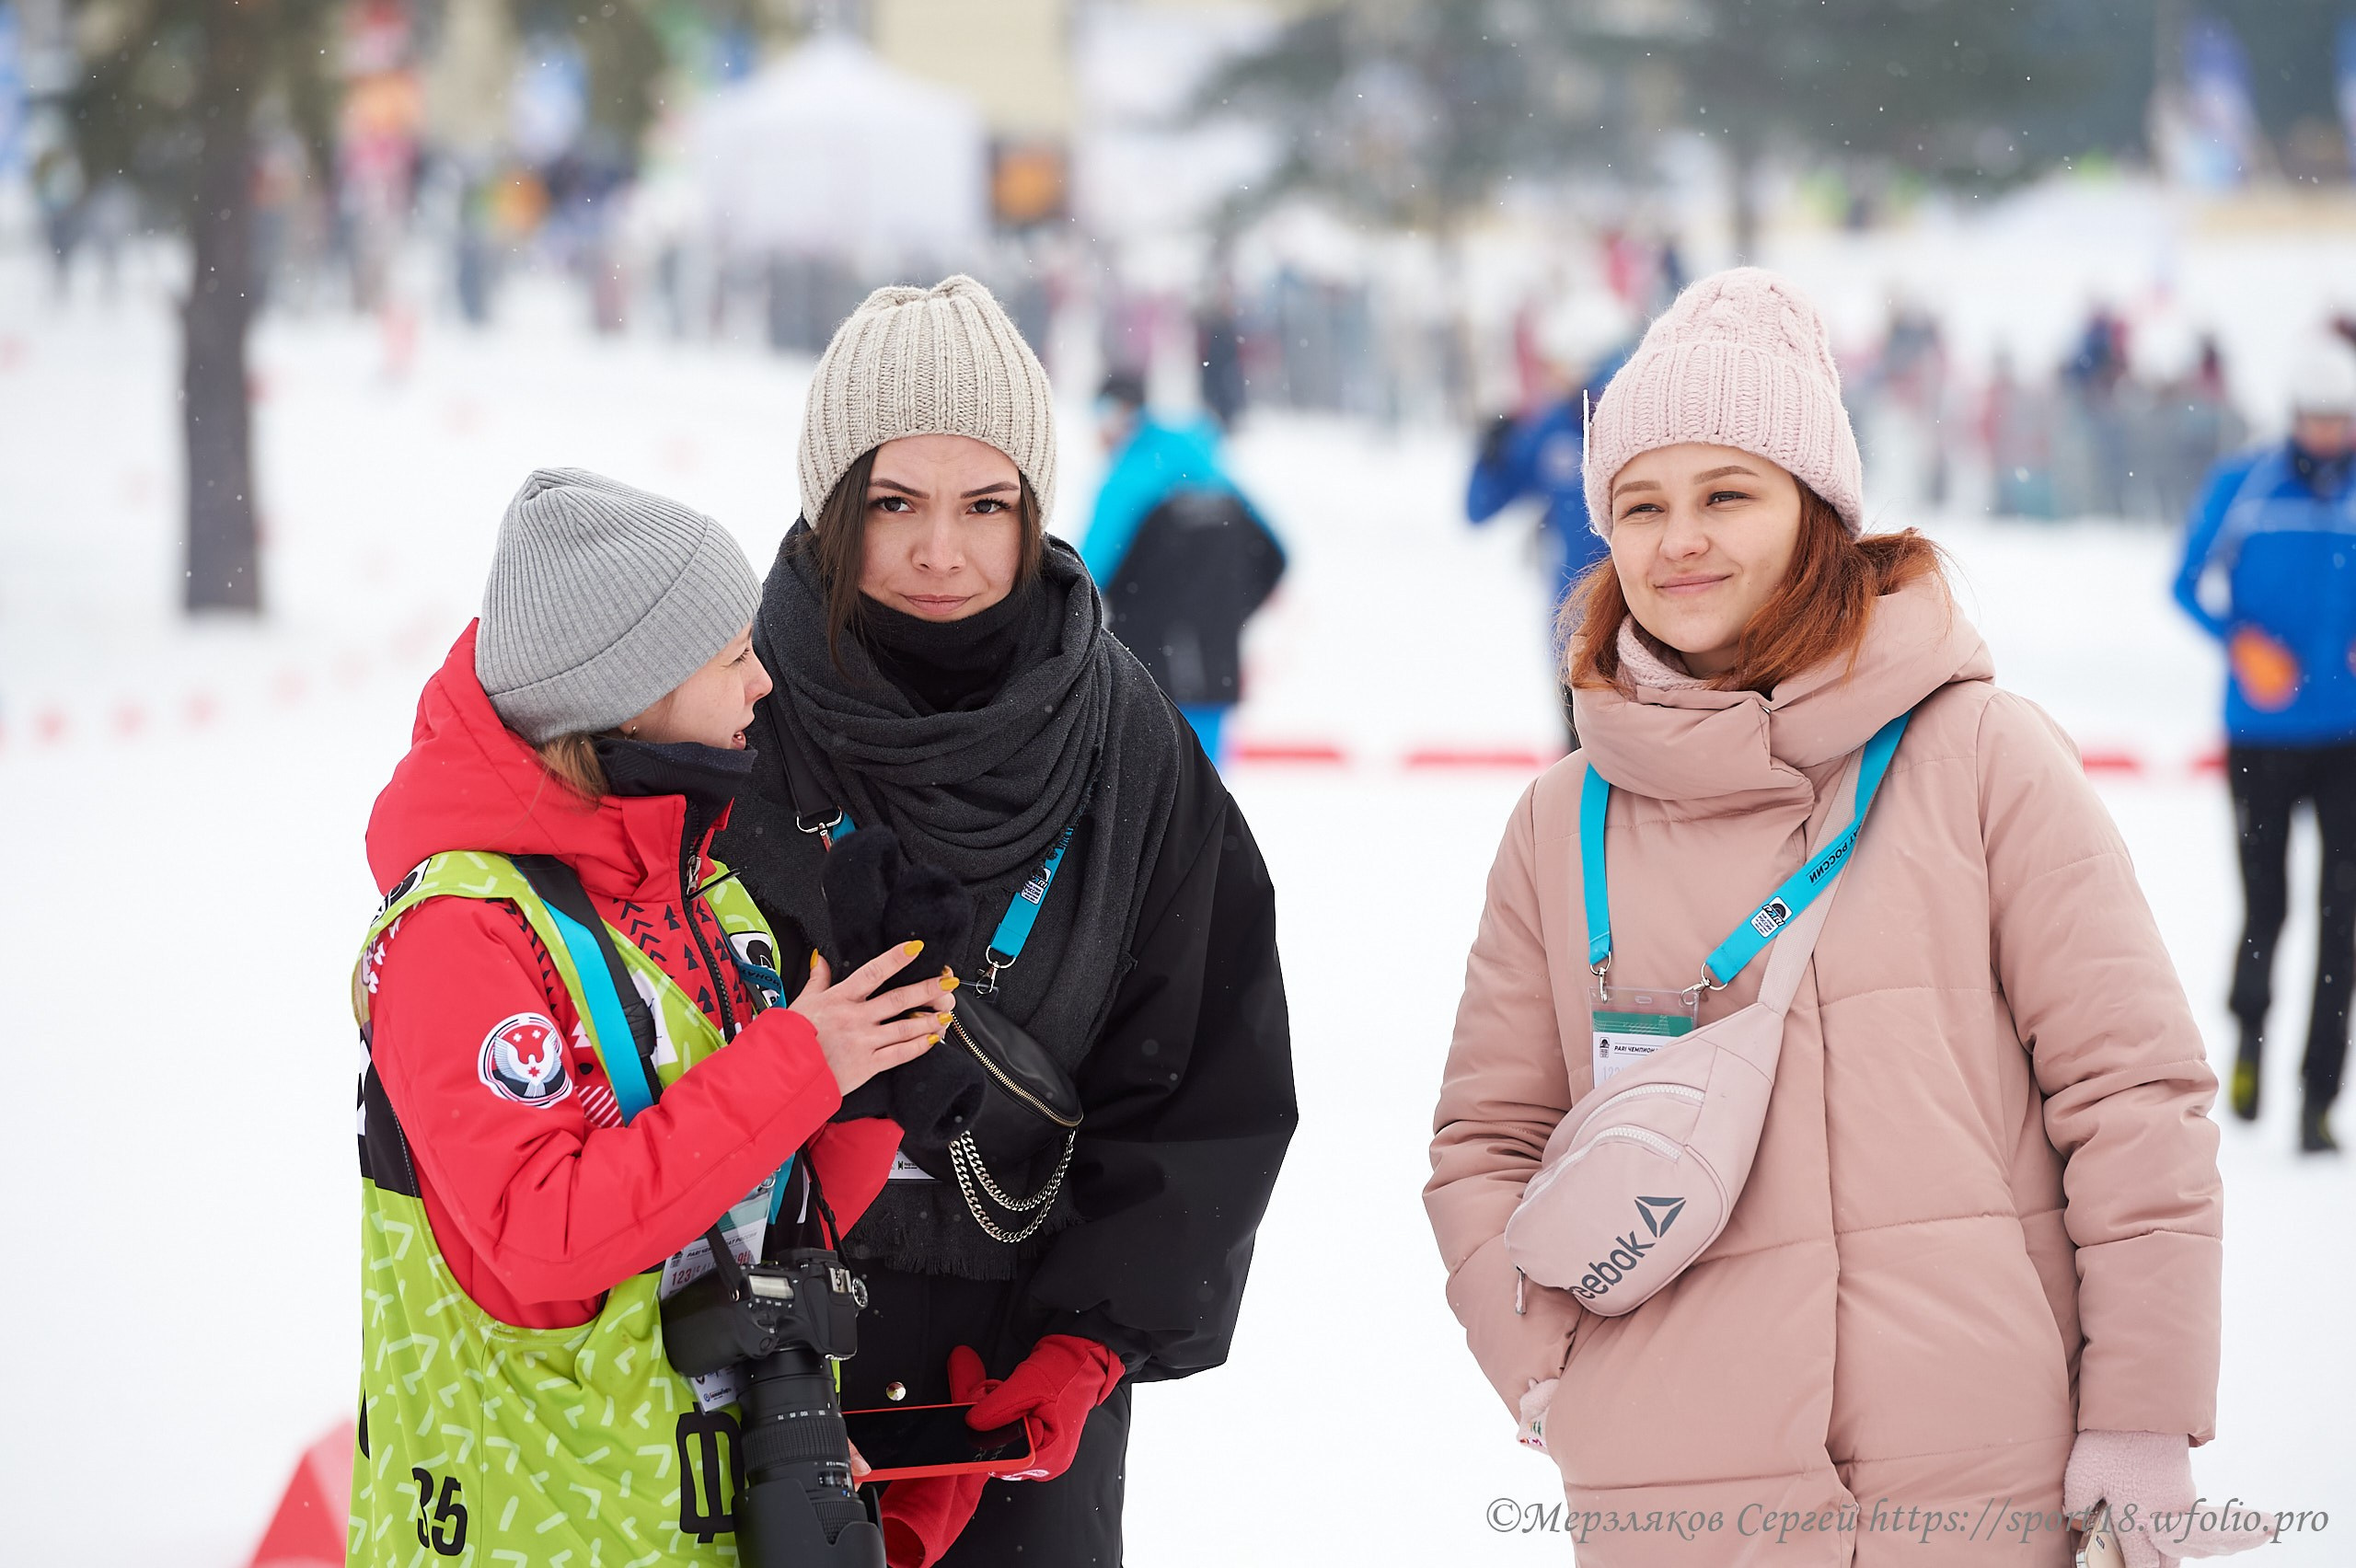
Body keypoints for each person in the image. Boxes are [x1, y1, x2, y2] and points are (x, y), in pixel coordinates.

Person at [1427, 271, 2269, 1567]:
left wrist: (2143, 1417)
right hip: (1674, 1501)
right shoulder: (1562, 821)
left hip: (1980, 1483)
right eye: (1639, 505)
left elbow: (2131, 1097)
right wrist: (1549, 1369)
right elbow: (1487, 1139)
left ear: (1818, 515)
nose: (1677, 541)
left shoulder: (1984, 755)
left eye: (1727, 495)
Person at [715, 277, 1297, 1568]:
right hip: (742, 1349)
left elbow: (1208, 1071)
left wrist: (1093, 1340)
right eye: (893, 504)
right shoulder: (728, 704)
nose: (943, 552)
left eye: (986, 506)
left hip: (1022, 1374)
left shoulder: (1127, 738)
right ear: (831, 507)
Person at [352, 468, 943, 1562]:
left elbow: (743, 1210)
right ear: (629, 695)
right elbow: (547, 1236)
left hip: (693, 1513)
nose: (765, 682)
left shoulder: (699, 886)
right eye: (733, 659)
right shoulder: (462, 935)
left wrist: (880, 1067)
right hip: (540, 1528)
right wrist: (800, 1068)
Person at [2173, 336, 2356, 1154]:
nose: (2327, 434)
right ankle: (2247, 1040)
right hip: (2261, 734)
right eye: (2315, 418)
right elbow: (2187, 582)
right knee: (2267, 905)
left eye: (2340, 420)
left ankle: (2320, 1097)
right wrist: (2239, 640)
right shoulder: (2244, 483)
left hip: (2348, 737)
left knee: (2344, 917)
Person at [1080, 371, 1286, 766]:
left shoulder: (1128, 480)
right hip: (1216, 664)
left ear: (1123, 416)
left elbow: (1089, 574)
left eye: (1102, 419)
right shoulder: (1214, 471)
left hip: (1147, 666)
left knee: (1151, 797)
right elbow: (1274, 557)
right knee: (1208, 793)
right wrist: (1227, 615)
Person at [1467, 299, 1634, 749]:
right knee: (1582, 767)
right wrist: (1490, 454)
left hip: (1645, 631)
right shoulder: (1553, 428)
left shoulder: (1641, 423)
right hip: (1576, 631)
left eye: (1555, 363)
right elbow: (1479, 510)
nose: (1547, 375)